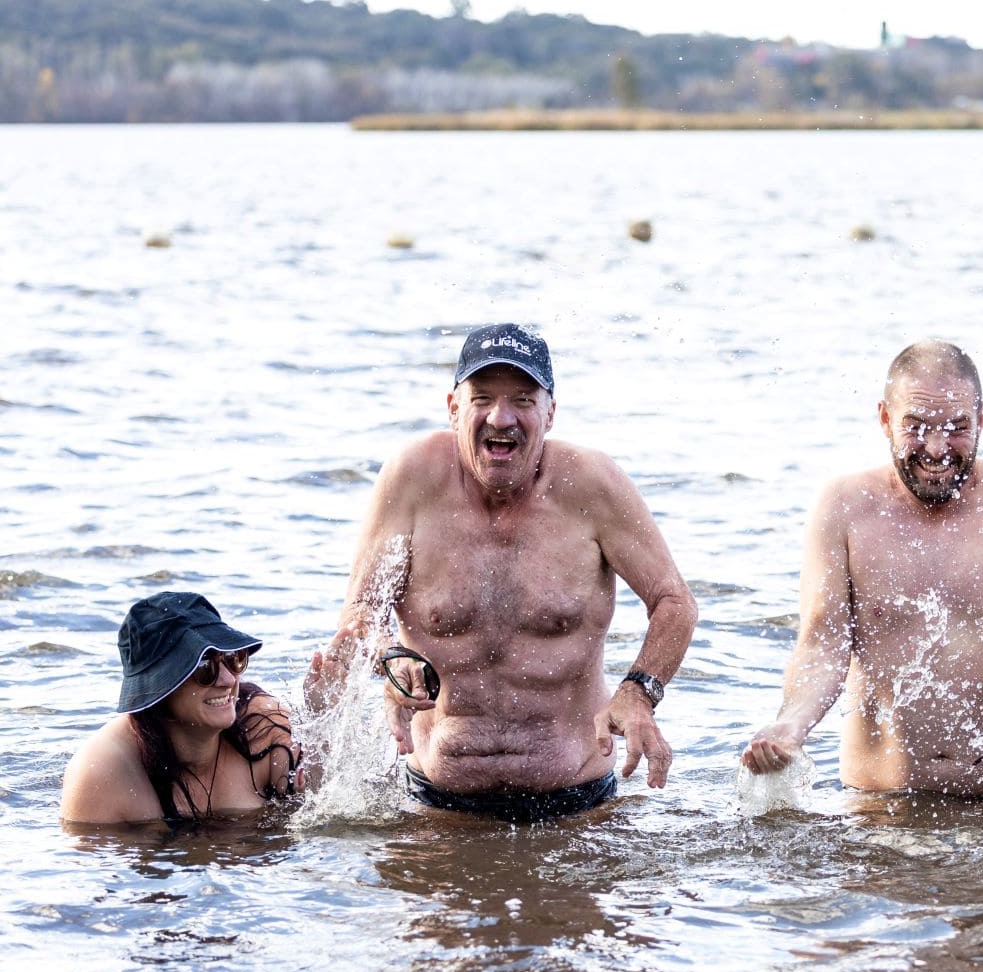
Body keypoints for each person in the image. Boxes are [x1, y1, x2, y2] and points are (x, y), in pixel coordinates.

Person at [306, 324, 697, 821]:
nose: (501, 417)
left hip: (577, 805)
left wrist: (639, 692)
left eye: (523, 400)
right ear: (453, 408)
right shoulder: (411, 480)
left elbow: (675, 602)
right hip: (437, 806)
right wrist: (391, 659)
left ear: (550, 412)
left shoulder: (592, 486)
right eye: (482, 397)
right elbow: (363, 609)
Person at [740, 340, 983, 796]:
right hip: (879, 803)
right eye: (916, 426)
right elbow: (823, 642)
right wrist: (791, 725)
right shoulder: (844, 506)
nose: (936, 449)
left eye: (957, 427)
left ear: (982, 420)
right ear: (885, 419)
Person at [61, 591, 299, 825]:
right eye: (204, 666)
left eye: (232, 658)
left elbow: (321, 815)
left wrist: (323, 718)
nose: (228, 680)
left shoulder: (264, 727)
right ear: (160, 686)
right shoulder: (102, 775)